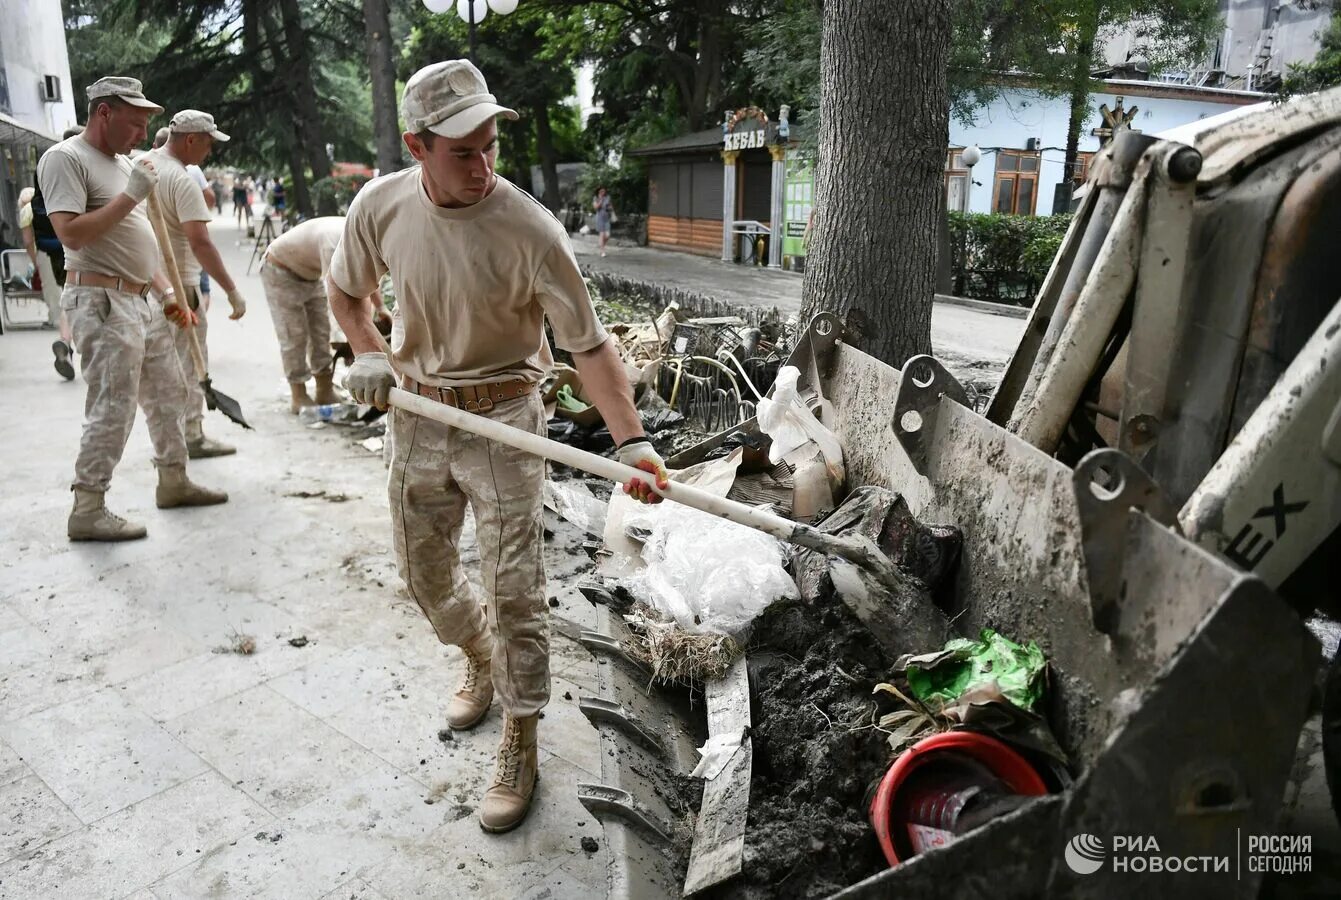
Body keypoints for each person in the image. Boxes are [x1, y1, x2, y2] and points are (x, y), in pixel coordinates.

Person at [329, 59, 669, 835]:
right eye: (461, 151)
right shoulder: (378, 207)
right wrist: (366, 350)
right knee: (424, 576)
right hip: (417, 411)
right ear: (416, 147)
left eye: (489, 146)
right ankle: (478, 656)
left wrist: (634, 443)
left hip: (505, 418)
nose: (482, 166)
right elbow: (346, 290)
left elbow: (587, 348)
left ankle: (521, 730)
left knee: (515, 587)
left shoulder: (529, 229)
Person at [37, 75, 228, 541]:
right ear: (104, 112)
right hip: (100, 301)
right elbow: (72, 234)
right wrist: (132, 194)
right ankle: (88, 506)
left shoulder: (123, 163)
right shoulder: (65, 159)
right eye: (136, 122)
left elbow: (140, 241)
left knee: (170, 393)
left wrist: (166, 293)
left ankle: (174, 480)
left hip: (141, 299)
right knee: (114, 406)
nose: (144, 134)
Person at [149, 109, 249, 459]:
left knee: (162, 368)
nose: (209, 153)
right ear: (190, 140)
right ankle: (191, 436)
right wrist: (232, 290)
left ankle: (173, 440)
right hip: (182, 287)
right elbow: (200, 242)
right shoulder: (181, 180)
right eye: (207, 145)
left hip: (150, 285)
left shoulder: (143, 166)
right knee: (189, 364)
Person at [261, 216, 380, 411]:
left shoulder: (363, 240)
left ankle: (324, 390)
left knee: (321, 332)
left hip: (310, 274)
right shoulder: (335, 243)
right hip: (280, 271)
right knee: (294, 334)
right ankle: (298, 394)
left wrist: (380, 308)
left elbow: (367, 279)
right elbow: (338, 297)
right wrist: (354, 339)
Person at [18, 186, 73, 377]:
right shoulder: (61, 199)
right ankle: (66, 342)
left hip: (45, 255)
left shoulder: (27, 211)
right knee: (71, 295)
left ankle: (65, 341)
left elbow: (27, 241)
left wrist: (36, 263)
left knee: (61, 299)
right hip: (70, 250)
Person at [592, 186, 613, 257]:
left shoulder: (607, 198)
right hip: (599, 218)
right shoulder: (596, 198)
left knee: (608, 235)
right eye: (601, 191)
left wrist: (609, 207)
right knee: (602, 234)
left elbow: (610, 207)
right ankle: (602, 251)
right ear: (598, 192)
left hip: (606, 218)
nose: (603, 193)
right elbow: (596, 207)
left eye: (604, 191)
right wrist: (600, 201)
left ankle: (601, 245)